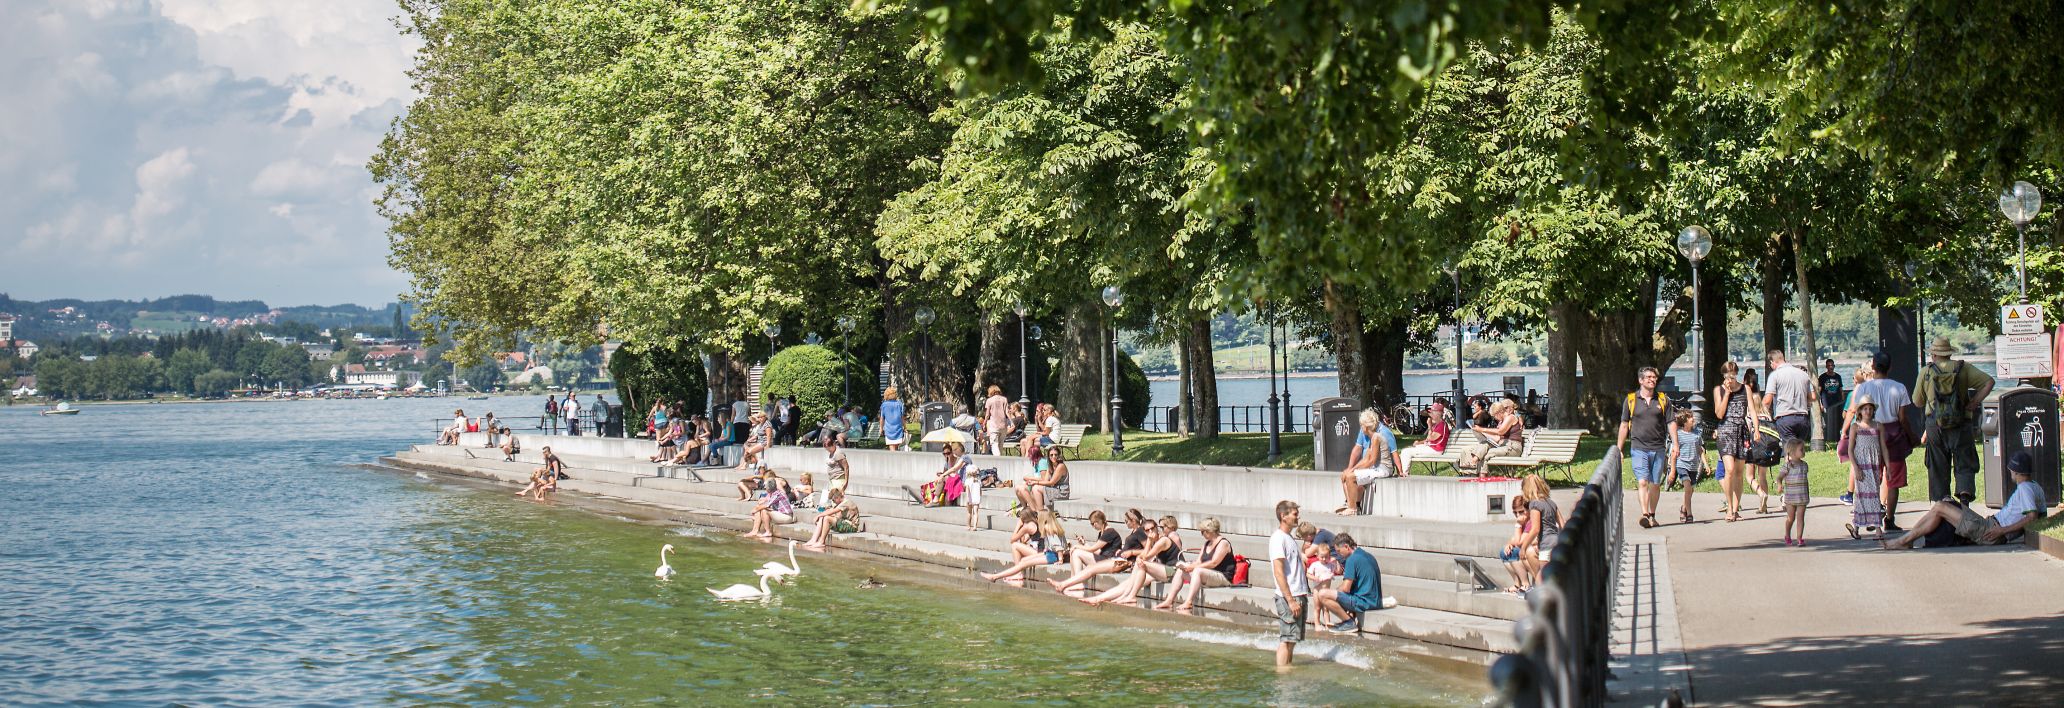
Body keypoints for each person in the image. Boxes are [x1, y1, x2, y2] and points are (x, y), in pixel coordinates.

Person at [1884, 451, 2047, 550]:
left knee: (1940, 507)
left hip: (1991, 531)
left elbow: (2032, 517)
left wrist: (2002, 531)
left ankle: (1904, 540)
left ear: (2015, 471)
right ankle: (1907, 540)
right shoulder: (2035, 486)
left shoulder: (2025, 489)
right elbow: (2042, 515)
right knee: (1943, 505)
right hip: (1990, 525)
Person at [1914, 337, 1994, 505]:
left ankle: (1942, 501)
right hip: (1961, 421)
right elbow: (1989, 382)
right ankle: (1964, 496)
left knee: (1937, 463)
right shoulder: (1963, 368)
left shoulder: (1926, 372)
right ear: (1949, 353)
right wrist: (1974, 402)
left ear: (1934, 354)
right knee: (1964, 459)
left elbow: (1917, 402)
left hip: (1935, 424)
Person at [1852, 351, 1917, 531]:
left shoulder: (1864, 388)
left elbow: (1857, 413)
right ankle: (1890, 518)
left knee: (1872, 475)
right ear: (1890, 367)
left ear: (1873, 366)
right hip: (1893, 433)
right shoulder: (1899, 388)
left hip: (1870, 432)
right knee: (1894, 478)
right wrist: (1911, 436)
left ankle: (1872, 515)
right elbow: (1903, 418)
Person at [1619, 367, 1678, 529]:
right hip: (1638, 448)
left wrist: (1675, 444)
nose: (1652, 380)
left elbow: (1671, 422)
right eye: (1649, 377)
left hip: (1658, 448)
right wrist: (1619, 449)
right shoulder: (1631, 400)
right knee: (1643, 481)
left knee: (1655, 484)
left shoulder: (1663, 400)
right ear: (1641, 380)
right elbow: (1624, 425)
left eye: (1654, 377)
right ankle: (1645, 514)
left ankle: (1652, 514)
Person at [1080, 516, 1183, 606]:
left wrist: (1148, 541)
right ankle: (1100, 598)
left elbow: (1145, 557)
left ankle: (1131, 596)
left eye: (1152, 528)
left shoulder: (1163, 540)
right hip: (1163, 571)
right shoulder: (1153, 541)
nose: (1150, 532)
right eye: (1147, 530)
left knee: (1141, 564)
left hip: (1174, 572)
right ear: (1145, 532)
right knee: (1128, 582)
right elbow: (1143, 556)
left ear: (1157, 528)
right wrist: (1149, 543)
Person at [1047, 509, 1146, 598]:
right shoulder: (1132, 532)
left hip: (1114, 561)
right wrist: (1084, 544)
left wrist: (1132, 552)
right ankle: (1070, 582)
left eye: (1126, 521)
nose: (1125, 523)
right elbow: (1097, 551)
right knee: (1077, 554)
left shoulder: (1113, 532)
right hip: (1113, 559)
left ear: (1133, 521)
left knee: (1077, 552)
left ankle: (1074, 584)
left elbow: (1148, 549)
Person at [1155, 517, 1237, 612]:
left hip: (1223, 577)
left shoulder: (1223, 543)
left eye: (1202, 532)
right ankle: (1169, 601)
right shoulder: (1206, 544)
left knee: (1197, 571)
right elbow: (1198, 562)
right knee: (1180, 571)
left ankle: (1189, 601)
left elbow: (1214, 563)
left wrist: (1193, 567)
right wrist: (1187, 565)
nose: (1202, 534)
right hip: (1208, 575)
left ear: (1209, 531)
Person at [1713, 361, 1758, 522]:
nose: (1730, 379)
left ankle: (1736, 508)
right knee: (1730, 470)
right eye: (1727, 376)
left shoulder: (1745, 389)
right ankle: (1729, 507)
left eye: (1733, 375)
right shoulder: (1718, 390)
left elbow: (1752, 410)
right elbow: (1719, 414)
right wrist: (1727, 393)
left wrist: (1756, 429)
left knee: (1739, 472)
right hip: (1725, 431)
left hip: (1741, 431)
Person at [982, 510, 1069, 586]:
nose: (1037, 518)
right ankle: (1001, 575)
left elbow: (1058, 546)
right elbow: (1058, 544)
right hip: (1050, 553)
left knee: (1024, 563)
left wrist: (1060, 560)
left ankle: (995, 577)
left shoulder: (1048, 528)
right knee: (1023, 560)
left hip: (1052, 556)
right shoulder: (1052, 527)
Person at [1268, 500, 1308, 667]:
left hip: (1298, 594)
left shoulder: (1289, 538)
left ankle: (1287, 670)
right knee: (1286, 640)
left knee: (1292, 640)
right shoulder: (1278, 539)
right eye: (1294, 514)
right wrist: (1290, 600)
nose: (1298, 517)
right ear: (1283, 516)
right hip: (1289, 597)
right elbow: (1278, 572)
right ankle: (1282, 673)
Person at [1316, 534, 1383, 633]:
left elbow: (1345, 588)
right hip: (1375, 600)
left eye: (1339, 551)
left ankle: (1348, 623)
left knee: (1322, 594)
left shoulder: (1352, 559)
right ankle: (1349, 618)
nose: (1339, 555)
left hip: (1365, 602)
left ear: (1346, 547)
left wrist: (1333, 592)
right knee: (1335, 594)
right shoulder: (1367, 555)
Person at [1337, 409, 1396, 515]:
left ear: (1365, 427)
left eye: (1361, 426)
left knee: (1351, 477)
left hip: (1383, 469)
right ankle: (1351, 505)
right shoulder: (1372, 437)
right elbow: (1366, 459)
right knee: (1349, 475)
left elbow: (1372, 460)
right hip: (1377, 469)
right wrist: (1352, 469)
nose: (1361, 428)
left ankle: (1352, 508)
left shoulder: (1376, 437)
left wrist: (1354, 471)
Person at [1845, 396, 1887, 540]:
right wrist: (1855, 468)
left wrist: (1887, 465)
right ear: (1860, 411)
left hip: (1874, 465)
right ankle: (1857, 526)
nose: (1868, 411)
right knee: (1861, 496)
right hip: (1861, 466)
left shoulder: (1878, 426)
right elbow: (1850, 449)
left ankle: (1877, 528)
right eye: (1865, 409)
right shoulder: (1855, 427)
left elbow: (1883, 447)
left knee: (1874, 494)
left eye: (1870, 409)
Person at [1765, 350, 1817, 449]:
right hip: (1802, 418)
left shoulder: (1775, 375)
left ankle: (1789, 459)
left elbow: (1767, 401)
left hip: (1785, 418)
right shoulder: (1803, 374)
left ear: (1773, 362)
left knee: (1789, 450)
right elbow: (1813, 397)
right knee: (1798, 449)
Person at [1458, 399, 1525, 475]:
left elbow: (1500, 431)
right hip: (1502, 446)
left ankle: (1482, 476)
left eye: (1494, 416)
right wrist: (1482, 433)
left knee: (1487, 453)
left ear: (1499, 413)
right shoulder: (1501, 422)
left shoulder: (1510, 417)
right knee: (1467, 449)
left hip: (1512, 448)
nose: (1495, 418)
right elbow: (1497, 438)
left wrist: (1482, 429)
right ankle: (1469, 472)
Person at [1663, 409, 1705, 524]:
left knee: (1690, 491)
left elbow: (1700, 450)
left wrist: (1705, 464)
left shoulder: (1696, 434)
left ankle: (1683, 508)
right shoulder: (1678, 435)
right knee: (1687, 487)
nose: (1693, 418)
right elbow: (1674, 453)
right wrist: (1672, 471)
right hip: (1682, 465)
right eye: (1690, 417)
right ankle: (1689, 514)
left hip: (1693, 466)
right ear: (1684, 422)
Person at [1520, 475, 1560, 587]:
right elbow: (1563, 524)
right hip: (1556, 541)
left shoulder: (1534, 504)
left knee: (1541, 579)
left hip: (1546, 544)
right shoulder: (1551, 503)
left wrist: (1523, 547)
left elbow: (1535, 529)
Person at [1396, 398, 1450, 476]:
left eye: (1432, 413)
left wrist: (1429, 426)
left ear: (1438, 413)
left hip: (1436, 450)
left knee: (1406, 452)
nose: (1430, 415)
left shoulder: (1442, 425)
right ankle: (1402, 472)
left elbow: (1431, 438)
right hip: (1432, 448)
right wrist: (1419, 443)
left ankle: (1404, 474)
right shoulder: (1437, 425)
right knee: (1407, 450)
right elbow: (1429, 439)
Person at [1016, 446, 1071, 512]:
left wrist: (1036, 482)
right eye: (1051, 455)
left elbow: (1051, 482)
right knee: (1034, 487)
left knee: (1036, 488)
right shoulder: (1050, 466)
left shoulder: (1060, 466)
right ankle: (1036, 510)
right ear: (1049, 456)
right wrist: (1032, 482)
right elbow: (1045, 480)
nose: (1053, 457)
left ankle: (1040, 511)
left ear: (1059, 455)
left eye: (1055, 455)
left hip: (1061, 492)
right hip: (1054, 489)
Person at [1498, 496, 1535, 593]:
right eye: (1515, 513)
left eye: (1521, 511)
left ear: (1527, 510)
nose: (1518, 515)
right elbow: (1514, 539)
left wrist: (1518, 524)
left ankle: (1525, 584)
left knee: (1514, 552)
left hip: (1533, 551)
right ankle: (1517, 584)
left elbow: (1519, 542)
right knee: (1504, 552)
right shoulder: (1523, 521)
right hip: (1526, 549)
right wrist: (1509, 544)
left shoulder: (1530, 521)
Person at [1778, 439, 1810, 546]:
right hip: (1790, 497)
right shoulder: (1787, 466)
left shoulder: (1804, 465)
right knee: (1791, 518)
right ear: (1792, 452)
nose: (1804, 451)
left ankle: (1799, 538)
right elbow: (1779, 477)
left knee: (1801, 518)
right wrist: (1779, 484)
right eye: (1801, 449)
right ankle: (1787, 535)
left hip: (1802, 497)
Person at [744, 477, 796, 542]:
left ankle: (768, 532)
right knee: (759, 509)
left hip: (787, 516)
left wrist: (755, 510)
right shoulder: (772, 493)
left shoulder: (778, 494)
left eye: (765, 486)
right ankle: (755, 531)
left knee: (764, 510)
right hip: (779, 514)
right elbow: (762, 503)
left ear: (769, 487)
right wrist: (757, 508)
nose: (764, 487)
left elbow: (767, 505)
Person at [1818, 358, 1845, 446]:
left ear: (1834, 366)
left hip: (1837, 402)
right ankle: (1827, 439)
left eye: (1832, 365)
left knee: (1838, 421)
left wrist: (1843, 401)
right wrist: (1820, 404)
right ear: (1826, 366)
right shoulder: (1822, 377)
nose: (1831, 367)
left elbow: (1841, 390)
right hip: (1826, 403)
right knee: (1826, 422)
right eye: (1829, 365)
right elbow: (1819, 391)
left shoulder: (1838, 377)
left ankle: (1838, 439)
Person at [982, 385, 1011, 456]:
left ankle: (998, 459)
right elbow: (1007, 412)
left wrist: (984, 423)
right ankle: (1000, 460)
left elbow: (987, 414)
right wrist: (1011, 421)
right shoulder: (1004, 399)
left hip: (994, 425)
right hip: (1003, 425)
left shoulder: (989, 400)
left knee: (994, 444)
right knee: (1000, 444)